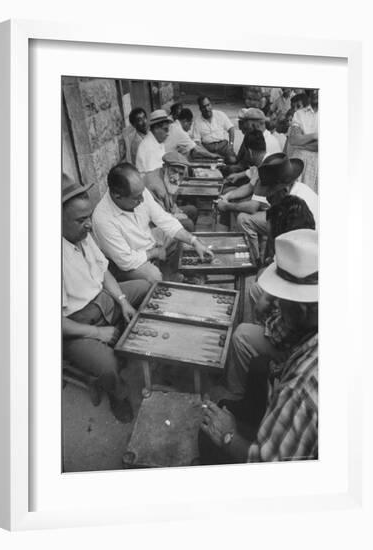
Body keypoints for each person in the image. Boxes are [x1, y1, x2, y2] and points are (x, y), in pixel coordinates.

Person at [200, 229, 318, 463]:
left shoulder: (298, 392)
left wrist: (228, 435)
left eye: (281, 299)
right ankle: (256, 414)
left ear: (301, 309)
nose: (277, 303)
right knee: (260, 366)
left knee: (206, 436)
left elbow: (269, 468)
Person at [61, 176, 150, 423]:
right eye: (81, 220)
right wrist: (96, 333)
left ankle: (126, 334)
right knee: (108, 365)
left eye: (88, 217)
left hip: (104, 301)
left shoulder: (83, 235)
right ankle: (118, 394)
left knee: (145, 286)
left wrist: (122, 300)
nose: (89, 225)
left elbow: (104, 272)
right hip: (76, 326)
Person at [92, 163, 213, 283]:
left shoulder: (139, 192)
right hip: (126, 262)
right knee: (154, 276)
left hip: (147, 240)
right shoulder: (102, 219)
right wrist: (154, 252)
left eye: (142, 193)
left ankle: (171, 274)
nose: (143, 199)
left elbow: (165, 219)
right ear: (117, 196)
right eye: (137, 198)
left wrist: (194, 241)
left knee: (182, 230)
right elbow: (126, 261)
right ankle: (166, 280)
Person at [216, 130, 269, 233]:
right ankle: (224, 235)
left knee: (236, 211)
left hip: (271, 213)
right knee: (228, 197)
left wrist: (227, 206)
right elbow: (249, 187)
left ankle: (234, 238)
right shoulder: (263, 160)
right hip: (263, 205)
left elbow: (253, 207)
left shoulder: (266, 169)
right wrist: (227, 197)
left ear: (249, 151)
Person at [143, 151, 198, 232]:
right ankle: (185, 240)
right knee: (188, 224)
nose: (176, 177)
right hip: (152, 224)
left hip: (165, 211)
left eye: (180, 173)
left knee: (193, 210)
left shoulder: (166, 176)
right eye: (174, 171)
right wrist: (176, 216)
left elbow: (170, 201)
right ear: (165, 167)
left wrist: (175, 209)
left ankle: (183, 240)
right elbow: (158, 218)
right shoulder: (155, 186)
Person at [288, 89, 319, 193]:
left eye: (317, 90)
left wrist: (302, 143)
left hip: (318, 164)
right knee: (296, 195)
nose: (315, 92)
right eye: (313, 89)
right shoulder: (299, 114)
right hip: (299, 161)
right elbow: (294, 139)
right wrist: (315, 136)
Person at [192, 96, 237, 163]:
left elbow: (231, 129)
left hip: (223, 146)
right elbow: (197, 142)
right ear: (200, 109)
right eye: (204, 107)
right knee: (195, 156)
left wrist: (231, 145)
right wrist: (208, 154)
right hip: (208, 148)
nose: (207, 109)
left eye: (208, 105)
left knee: (232, 160)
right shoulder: (197, 121)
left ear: (211, 104)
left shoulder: (220, 114)